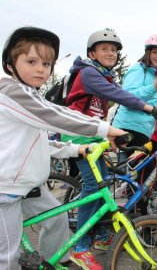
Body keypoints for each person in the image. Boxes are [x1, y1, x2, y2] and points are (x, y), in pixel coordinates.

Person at [0, 26, 126, 270]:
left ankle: (52, 264)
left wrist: (75, 150)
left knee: (57, 218)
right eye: (31, 61)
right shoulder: (10, 92)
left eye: (46, 64)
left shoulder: (30, 97)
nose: (40, 68)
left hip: (29, 186)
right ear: (10, 65)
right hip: (6, 190)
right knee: (7, 259)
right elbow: (55, 114)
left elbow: (39, 142)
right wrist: (104, 128)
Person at [62, 29, 157, 269]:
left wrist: (109, 135)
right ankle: (80, 246)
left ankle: (98, 234)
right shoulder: (88, 73)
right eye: (104, 48)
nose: (111, 53)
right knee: (93, 186)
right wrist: (149, 109)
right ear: (92, 53)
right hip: (78, 138)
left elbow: (101, 111)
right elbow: (120, 95)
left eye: (114, 50)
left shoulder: (103, 76)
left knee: (105, 183)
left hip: (92, 137)